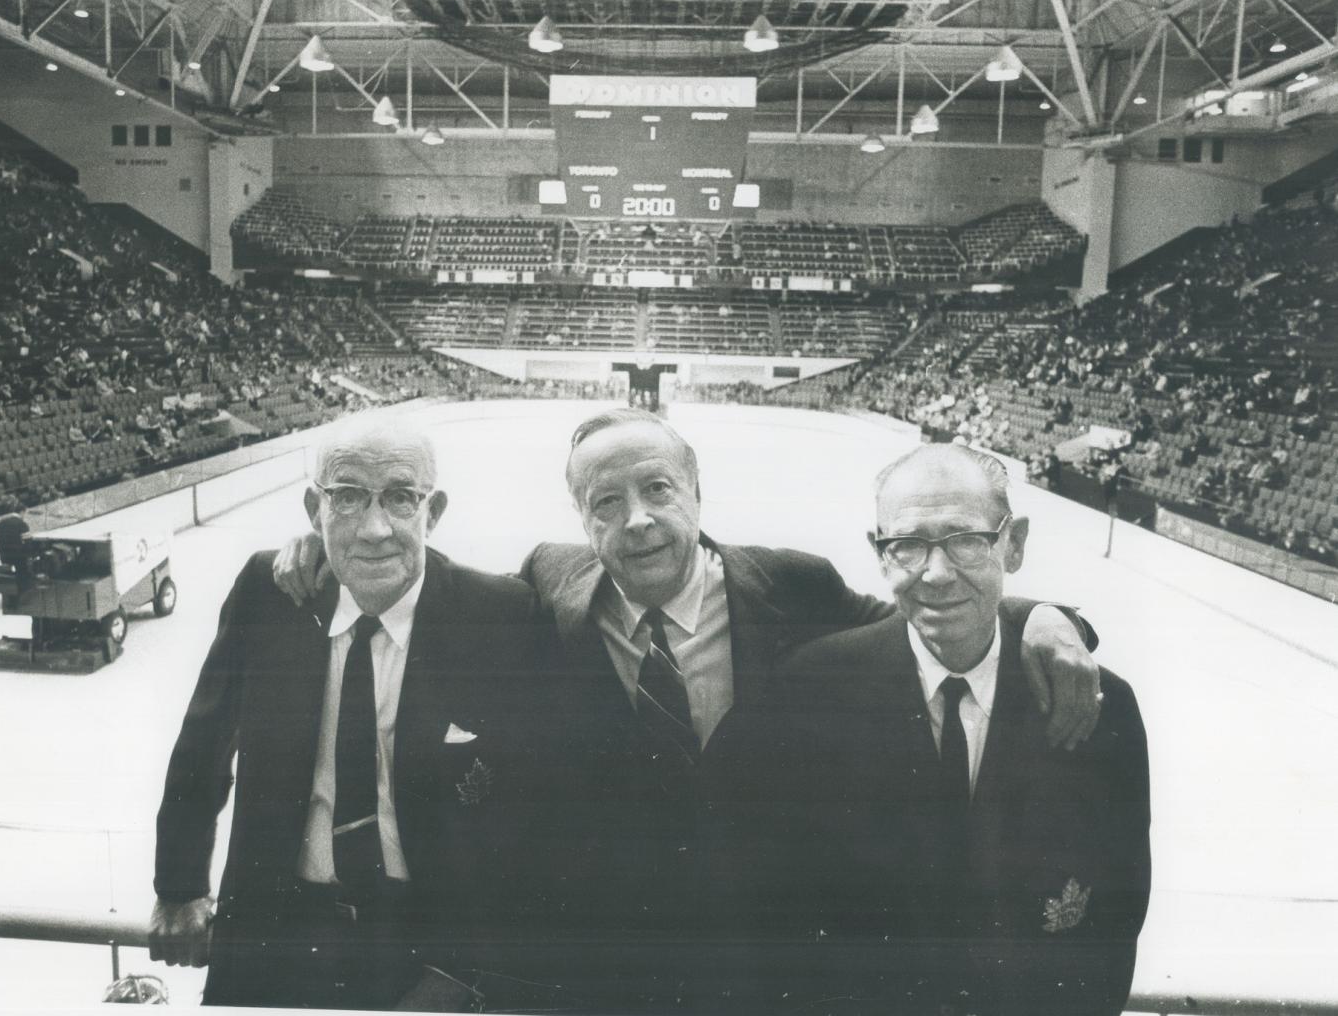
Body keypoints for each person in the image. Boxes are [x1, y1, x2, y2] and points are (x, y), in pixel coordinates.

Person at [273, 408, 1102, 1012]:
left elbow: (926, 614)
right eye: (605, 502)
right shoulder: (547, 587)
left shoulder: (791, 585)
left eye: (657, 490)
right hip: (603, 970)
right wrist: (327, 544)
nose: (636, 520)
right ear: (580, 521)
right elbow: (424, 576)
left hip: (766, 964)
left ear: (698, 495)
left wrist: (1044, 616)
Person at [722, 443, 1150, 1015]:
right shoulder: (810, 693)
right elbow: (776, 917)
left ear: (1013, 543)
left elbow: (1113, 926)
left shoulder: (1100, 705)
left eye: (966, 540)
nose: (937, 573)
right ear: (879, 553)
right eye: (908, 545)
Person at [149, 409, 553, 1011]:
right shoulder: (270, 593)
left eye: (399, 499)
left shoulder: (499, 616)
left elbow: (532, 818)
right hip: (274, 935)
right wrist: (179, 888)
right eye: (347, 498)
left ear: (433, 512)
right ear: (314, 510)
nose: (374, 528)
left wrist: (468, 966)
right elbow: (202, 744)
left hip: (426, 948)